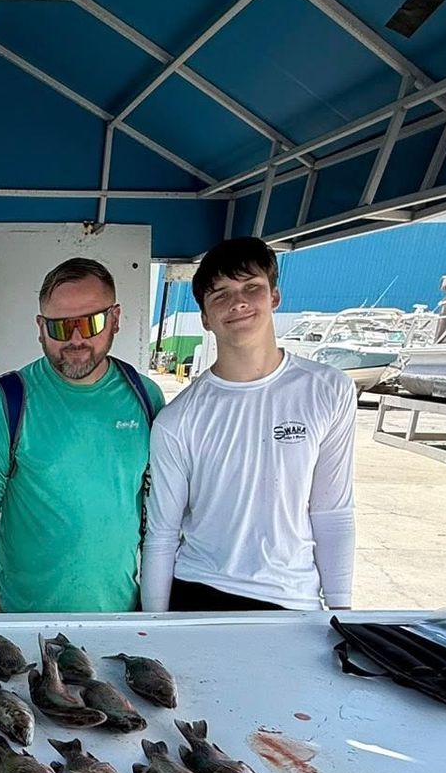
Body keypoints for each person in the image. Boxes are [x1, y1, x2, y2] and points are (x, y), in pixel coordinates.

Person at [141, 237, 356, 614]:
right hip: (197, 591)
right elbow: (161, 535)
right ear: (205, 317)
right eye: (219, 294)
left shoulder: (329, 390)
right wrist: (156, 626)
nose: (237, 302)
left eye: (251, 288)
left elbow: (332, 512)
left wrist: (340, 613)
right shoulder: (177, 419)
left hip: (293, 597)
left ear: (274, 297)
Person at [0, 257, 163, 613]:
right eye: (60, 327)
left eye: (90, 322)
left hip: (120, 619)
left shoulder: (146, 399)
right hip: (23, 624)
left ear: (115, 319)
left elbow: (159, 517)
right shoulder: (5, 403)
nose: (77, 339)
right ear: (40, 327)